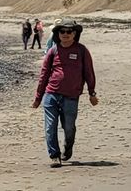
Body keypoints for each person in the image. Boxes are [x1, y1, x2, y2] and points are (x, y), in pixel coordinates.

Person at [32, 18, 98, 166]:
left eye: (69, 31)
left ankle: (68, 148)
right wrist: (38, 98)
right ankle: (54, 155)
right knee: (50, 126)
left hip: (71, 97)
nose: (65, 34)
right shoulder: (52, 51)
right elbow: (43, 75)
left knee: (69, 127)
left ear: (74, 34)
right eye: (62, 31)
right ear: (58, 33)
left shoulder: (82, 51)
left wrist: (92, 93)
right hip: (51, 95)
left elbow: (89, 73)